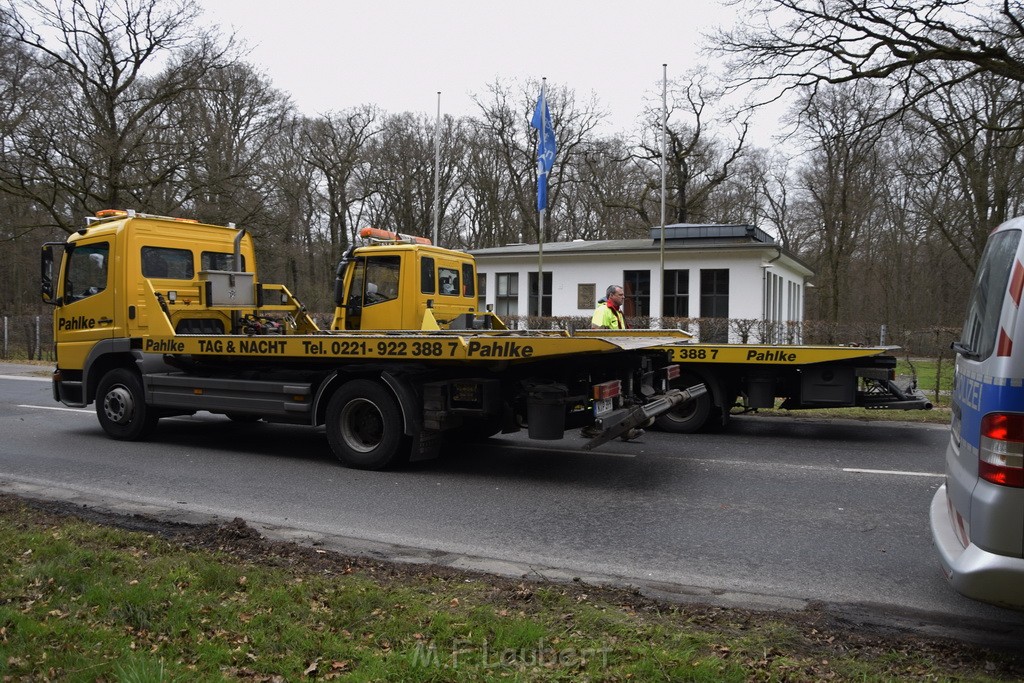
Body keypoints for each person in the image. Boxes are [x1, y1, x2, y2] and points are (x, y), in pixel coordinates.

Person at [583, 283, 644, 441]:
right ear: (611, 296)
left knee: (616, 395)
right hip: (604, 360)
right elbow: (595, 331)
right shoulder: (603, 310)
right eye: (620, 294)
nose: (624, 297)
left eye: (623, 294)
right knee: (601, 396)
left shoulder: (617, 312)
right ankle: (592, 426)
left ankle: (622, 430)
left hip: (614, 359)